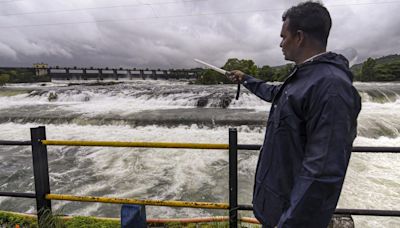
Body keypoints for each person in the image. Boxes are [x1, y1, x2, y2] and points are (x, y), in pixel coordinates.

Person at [228, 1, 361, 227]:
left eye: (284, 36)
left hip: (292, 217)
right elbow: (274, 92)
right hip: (279, 207)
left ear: (299, 37)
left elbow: (321, 173)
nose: (281, 43)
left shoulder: (330, 87)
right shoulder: (304, 77)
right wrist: (246, 79)